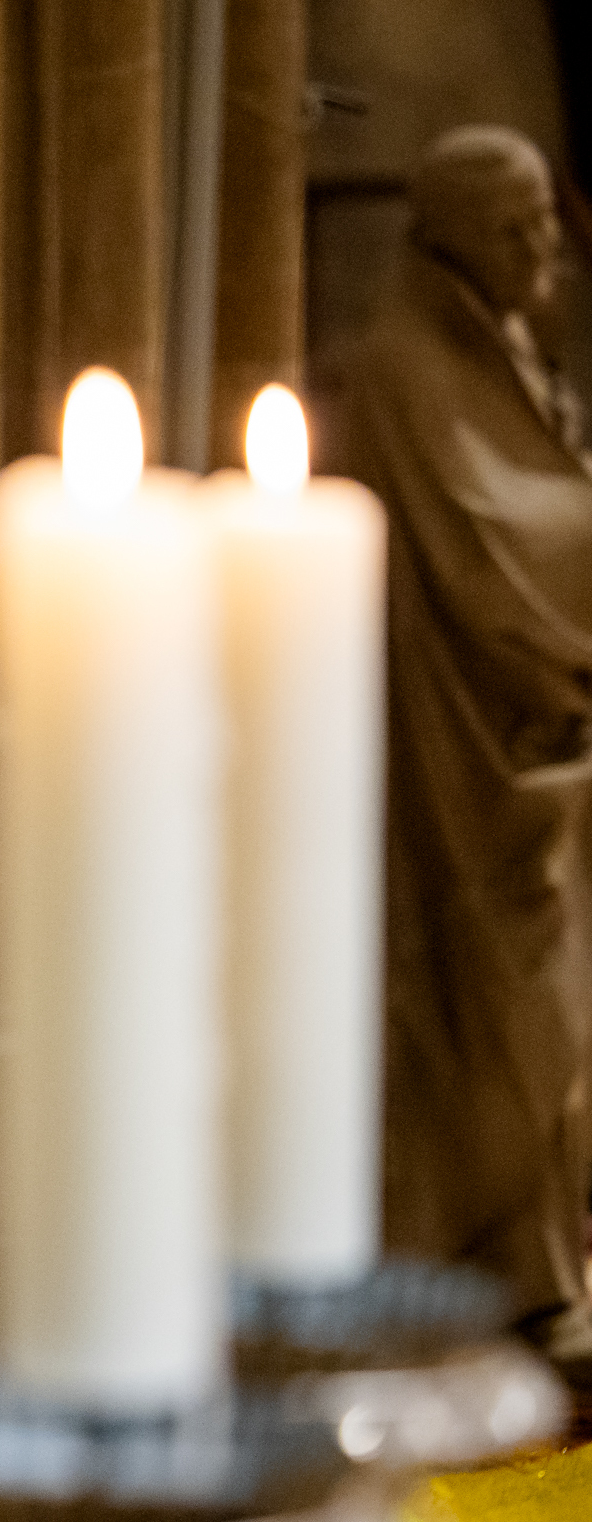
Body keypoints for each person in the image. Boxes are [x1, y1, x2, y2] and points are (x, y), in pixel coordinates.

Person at [328, 125, 592, 1362]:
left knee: (551, 1020)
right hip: (456, 764)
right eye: (514, 225)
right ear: (447, 236)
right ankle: (499, 1280)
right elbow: (491, 551)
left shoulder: (508, 350)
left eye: (545, 219)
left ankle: (536, 1266)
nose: (543, 247)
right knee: (494, 1016)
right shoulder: (400, 368)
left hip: (530, 751)